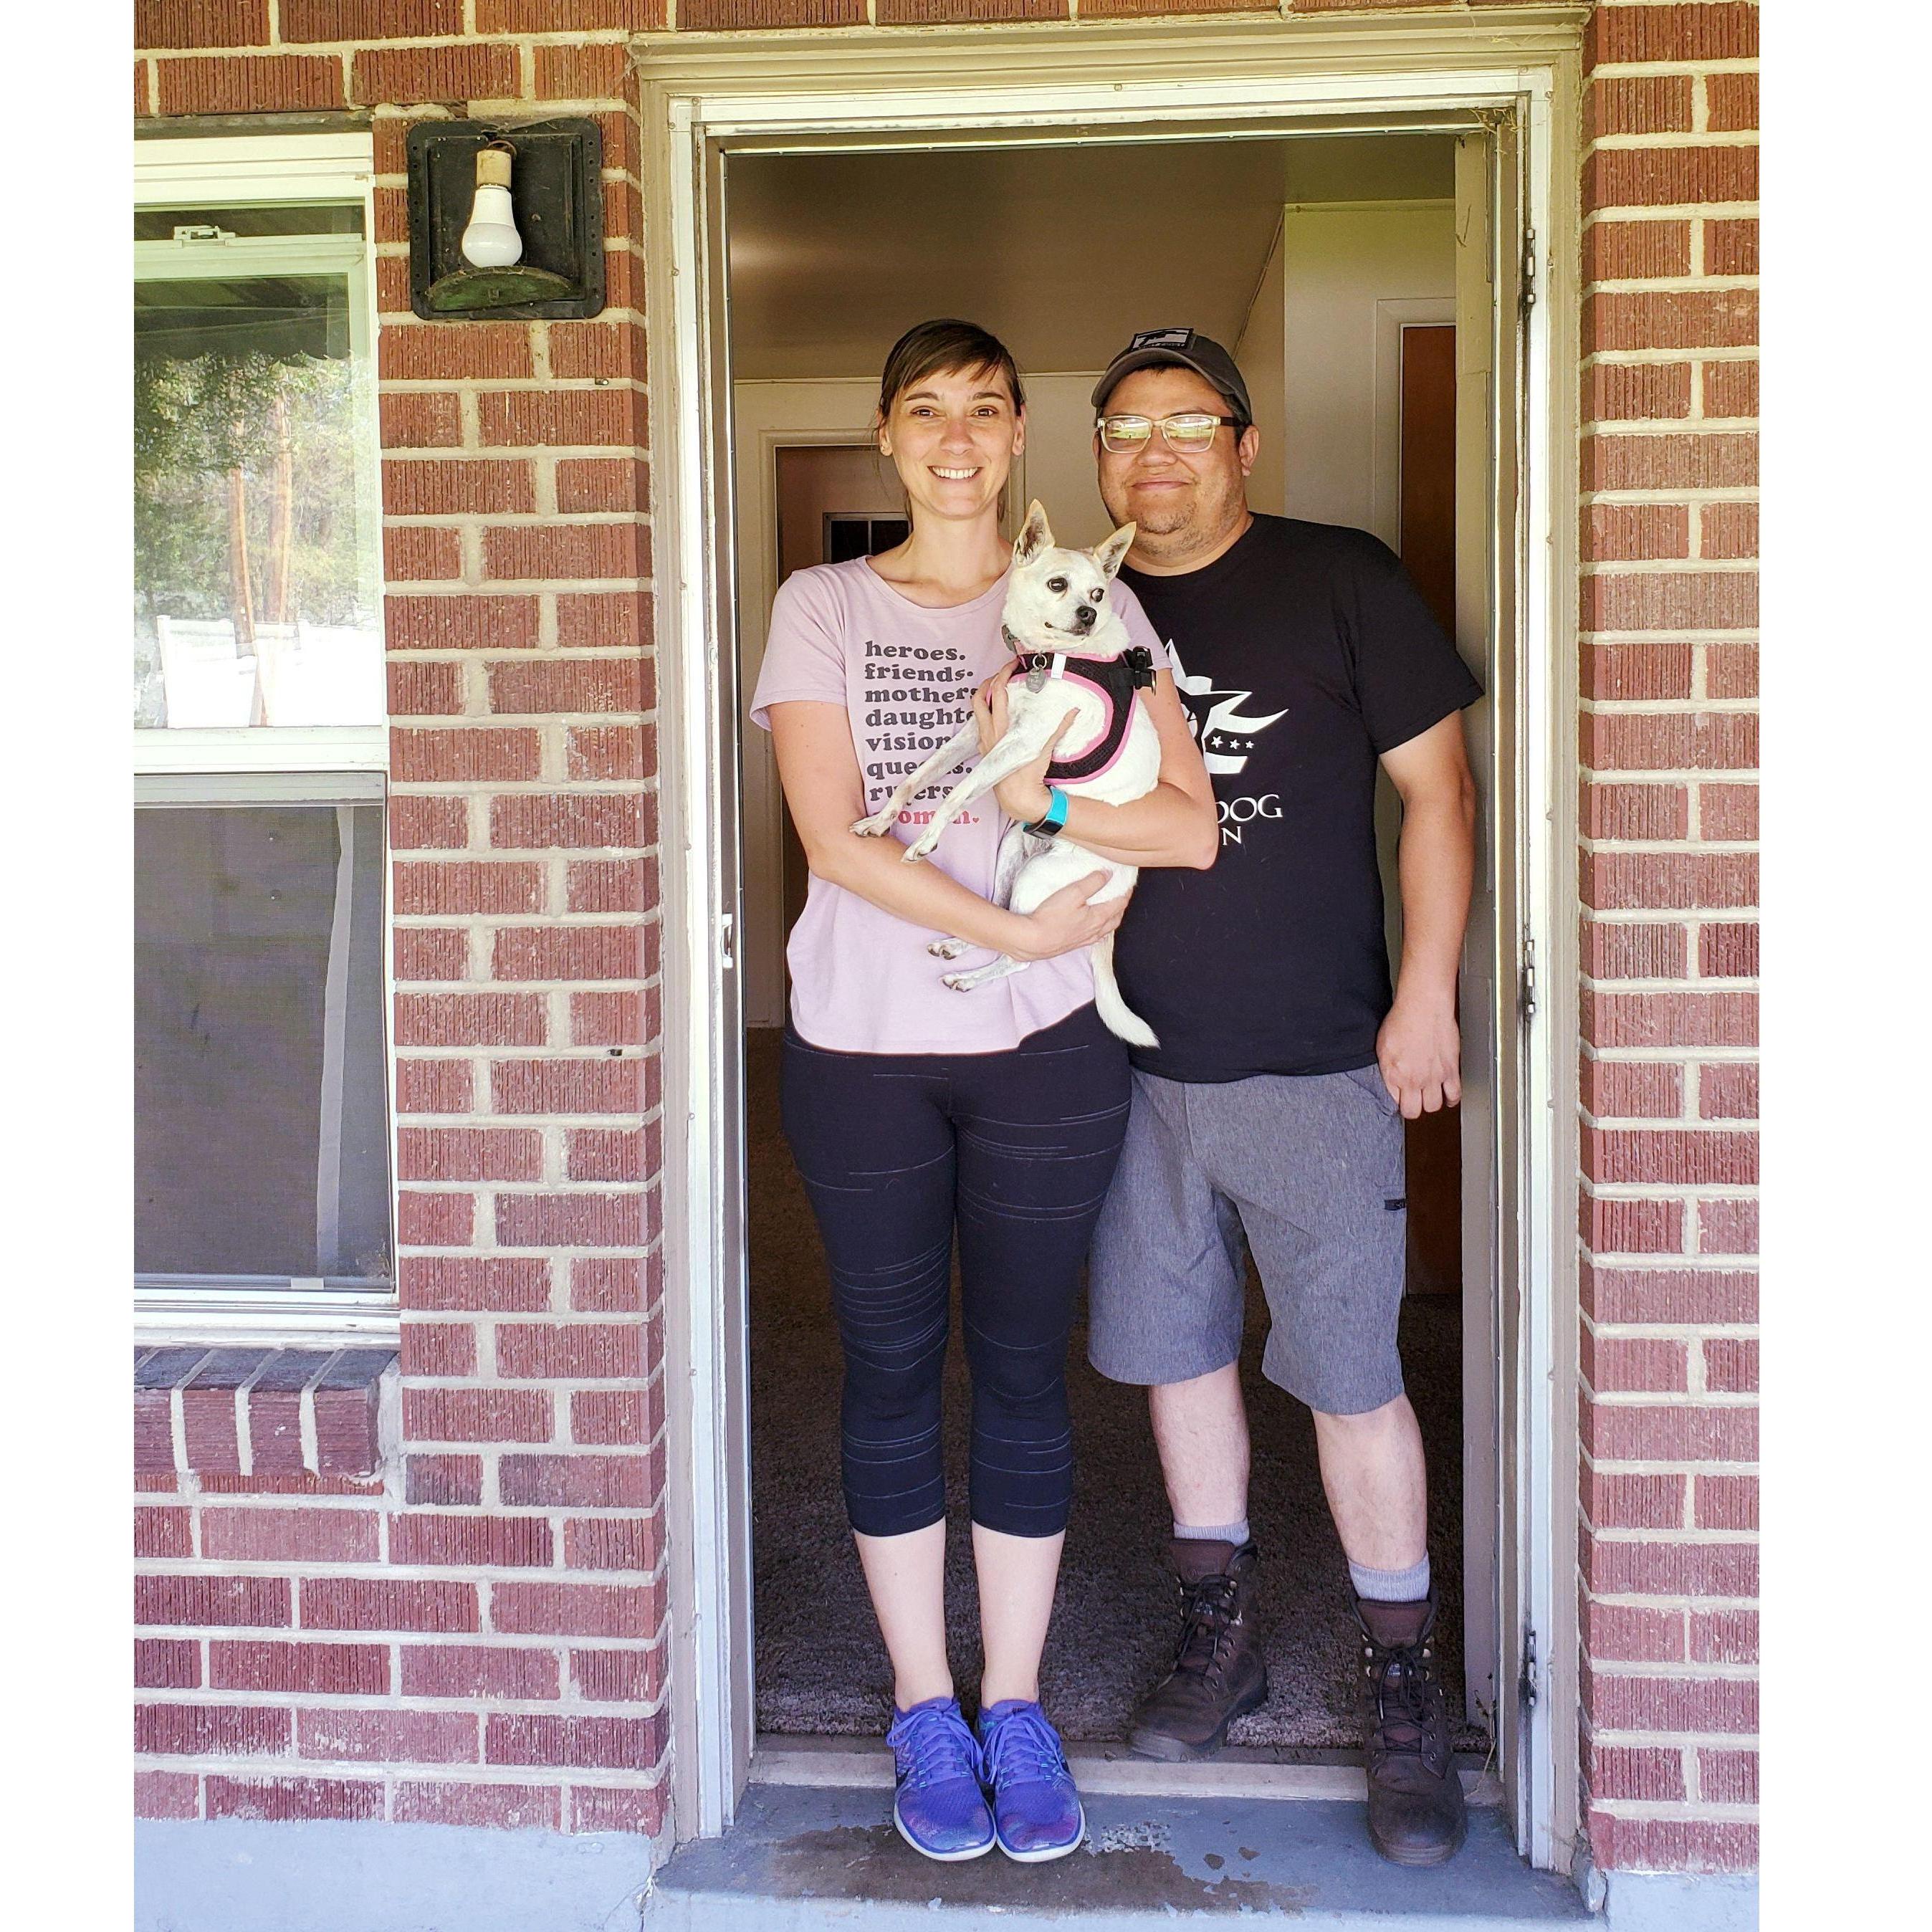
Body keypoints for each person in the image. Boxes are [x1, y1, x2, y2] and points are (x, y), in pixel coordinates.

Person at [751, 318, 1217, 1864]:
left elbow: (1186, 821)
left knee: (1021, 1370)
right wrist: (1015, 926)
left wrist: (1054, 805)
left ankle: (1013, 1701)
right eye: (925, 410)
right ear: (888, 436)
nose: (955, 435)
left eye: (985, 409)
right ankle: (918, 1699)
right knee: (889, 1369)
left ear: (1020, 438)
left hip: (1047, 1055)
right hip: (863, 1054)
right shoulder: (818, 605)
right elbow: (835, 840)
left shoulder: (1103, 607)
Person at [1081, 328, 1483, 1868]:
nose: (1157, 452)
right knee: (1176, 1355)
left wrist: (1423, 991)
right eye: (1128, 427)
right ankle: (1219, 1634)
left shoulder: (1341, 577)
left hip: (1317, 1059)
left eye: (1190, 423)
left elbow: (1436, 793)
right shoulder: (1079, 606)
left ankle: (1403, 1687)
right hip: (1122, 1064)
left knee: (1349, 1373)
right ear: (1100, 454)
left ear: (1245, 445)